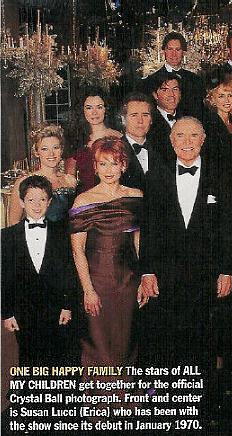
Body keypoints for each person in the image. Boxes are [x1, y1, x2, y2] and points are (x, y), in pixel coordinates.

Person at [139, 117, 232, 424]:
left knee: (204, 340)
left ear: (203, 139)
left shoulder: (221, 173)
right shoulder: (156, 175)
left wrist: (227, 270)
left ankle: (203, 406)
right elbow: (149, 226)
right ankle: (170, 406)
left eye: (193, 135)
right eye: (180, 136)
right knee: (168, 339)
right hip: (166, 274)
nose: (187, 142)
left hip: (207, 274)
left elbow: (230, 226)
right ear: (171, 141)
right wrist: (147, 271)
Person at [69, 137, 143, 398]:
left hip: (128, 281)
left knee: (126, 342)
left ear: (124, 165)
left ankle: (124, 403)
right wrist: (88, 290)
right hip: (97, 281)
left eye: (115, 163)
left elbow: (138, 243)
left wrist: (143, 280)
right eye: (103, 163)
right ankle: (99, 405)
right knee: (98, 344)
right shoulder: (83, 201)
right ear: (95, 167)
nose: (109, 169)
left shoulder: (136, 196)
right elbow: (77, 250)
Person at [2, 175, 76, 367]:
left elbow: (68, 272)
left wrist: (67, 305)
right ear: (21, 202)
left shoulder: (61, 234)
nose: (37, 205)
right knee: (27, 355)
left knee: (58, 354)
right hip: (22, 308)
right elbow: (4, 277)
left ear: (49, 202)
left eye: (42, 199)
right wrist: (7, 313)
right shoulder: (7, 237)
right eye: (31, 200)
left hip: (55, 307)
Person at [9, 124, 77, 225]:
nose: (51, 154)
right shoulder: (24, 182)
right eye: (45, 149)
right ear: (36, 152)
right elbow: (13, 222)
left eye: (55, 148)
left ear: (61, 150)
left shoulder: (69, 181)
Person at [65, 87, 122, 193]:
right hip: (85, 197)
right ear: (82, 110)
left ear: (106, 109)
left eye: (99, 107)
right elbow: (70, 175)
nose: (94, 113)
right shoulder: (76, 139)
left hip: (114, 195)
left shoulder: (118, 138)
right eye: (89, 108)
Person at [139, 31, 204, 118]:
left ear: (183, 53)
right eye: (170, 49)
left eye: (178, 49)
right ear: (164, 51)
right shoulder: (150, 81)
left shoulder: (196, 80)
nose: (174, 54)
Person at [119, 92, 163, 191]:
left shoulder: (162, 150)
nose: (140, 121)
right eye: (134, 115)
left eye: (145, 115)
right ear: (123, 119)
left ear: (151, 119)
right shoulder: (115, 150)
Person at [202, 72, 232, 160]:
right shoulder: (209, 124)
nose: (227, 100)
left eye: (230, 95)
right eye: (221, 96)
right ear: (212, 99)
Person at [146, 72, 183, 167]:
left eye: (175, 89)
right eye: (165, 90)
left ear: (180, 94)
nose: (171, 94)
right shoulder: (147, 122)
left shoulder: (189, 119)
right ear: (155, 95)